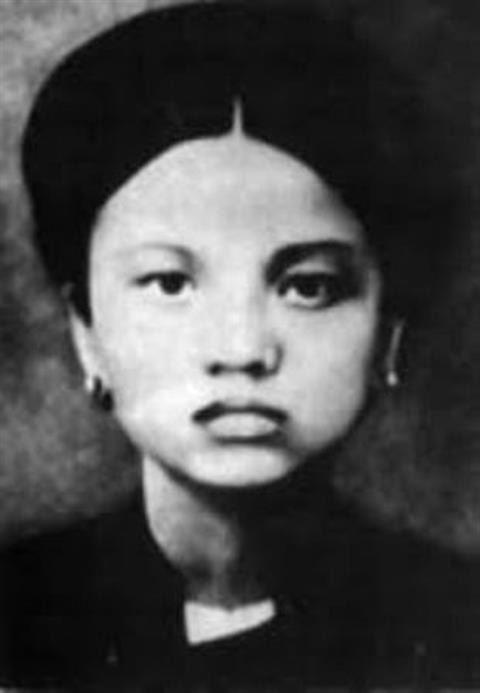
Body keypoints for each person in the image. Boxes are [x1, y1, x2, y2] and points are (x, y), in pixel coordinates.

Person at [1, 1, 479, 689]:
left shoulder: (457, 626)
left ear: (388, 334)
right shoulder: (18, 615)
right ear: (88, 333)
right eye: (170, 283)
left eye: (308, 287)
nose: (242, 349)